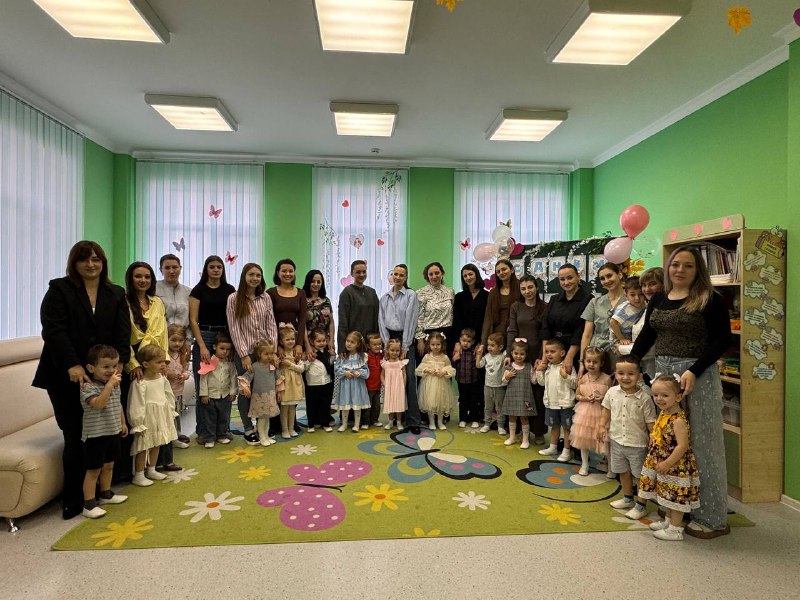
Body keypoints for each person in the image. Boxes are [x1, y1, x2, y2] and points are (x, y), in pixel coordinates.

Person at [632, 245, 731, 538]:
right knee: (668, 442)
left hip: (696, 375)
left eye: (688, 265)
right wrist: (633, 361)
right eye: (676, 264)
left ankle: (712, 517)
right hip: (665, 376)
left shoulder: (709, 299)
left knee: (702, 443)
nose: (680, 270)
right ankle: (676, 510)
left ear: (698, 270)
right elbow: (649, 333)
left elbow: (722, 340)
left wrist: (694, 370)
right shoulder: (659, 298)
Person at [33, 240, 131, 520]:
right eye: (84, 259)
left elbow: (123, 333)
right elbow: (53, 331)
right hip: (66, 376)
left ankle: (104, 491)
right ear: (74, 263)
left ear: (103, 263)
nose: (91, 264)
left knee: (108, 434)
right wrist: (73, 365)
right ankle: (75, 498)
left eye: (96, 259)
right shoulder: (59, 290)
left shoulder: (115, 293)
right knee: (76, 436)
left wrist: (118, 365)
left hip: (107, 377)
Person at [124, 261, 173, 473]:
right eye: (138, 276)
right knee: (140, 414)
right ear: (130, 279)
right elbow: (123, 335)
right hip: (135, 358)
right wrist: (133, 364)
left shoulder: (157, 302)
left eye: (147, 277)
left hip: (155, 358)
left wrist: (163, 361)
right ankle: (134, 471)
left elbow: (163, 333)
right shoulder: (124, 302)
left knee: (160, 413)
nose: (143, 280)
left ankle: (157, 464)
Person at [639, 374, 701, 541]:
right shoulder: (664, 413)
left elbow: (682, 446)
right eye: (655, 395)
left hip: (675, 465)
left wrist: (667, 463)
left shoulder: (678, 420)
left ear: (678, 397)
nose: (659, 399)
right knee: (666, 494)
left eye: (665, 395)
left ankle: (675, 529)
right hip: (662, 461)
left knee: (676, 496)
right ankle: (668, 521)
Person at [598, 355, 657, 521]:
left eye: (631, 374)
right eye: (621, 373)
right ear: (615, 374)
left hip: (637, 444)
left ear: (639, 376)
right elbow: (606, 411)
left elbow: (651, 422)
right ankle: (627, 498)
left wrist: (654, 439)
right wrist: (601, 426)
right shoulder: (611, 392)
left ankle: (641, 505)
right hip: (617, 440)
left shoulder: (645, 398)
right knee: (623, 472)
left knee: (640, 476)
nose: (625, 377)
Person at [226, 262, 278, 445]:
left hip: (264, 353)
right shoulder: (234, 298)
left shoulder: (265, 297)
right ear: (244, 277)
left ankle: (262, 427)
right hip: (246, 353)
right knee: (246, 391)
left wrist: (273, 351)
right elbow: (234, 328)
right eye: (251, 275)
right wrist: (243, 354)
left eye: (258, 275)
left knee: (264, 389)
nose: (255, 278)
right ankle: (248, 428)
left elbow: (271, 324)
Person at [189, 255, 235, 441]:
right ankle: (204, 432)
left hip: (224, 337)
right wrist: (202, 345)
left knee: (224, 382)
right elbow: (193, 320)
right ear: (206, 269)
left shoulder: (229, 290)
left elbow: (233, 317)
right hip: (205, 336)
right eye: (212, 267)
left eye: (219, 267)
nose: (216, 270)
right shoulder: (198, 290)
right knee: (204, 385)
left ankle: (223, 430)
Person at [79, 345, 128, 518]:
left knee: (109, 465)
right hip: (95, 435)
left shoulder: (114, 384)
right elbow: (99, 404)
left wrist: (123, 423)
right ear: (91, 368)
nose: (111, 370)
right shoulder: (88, 387)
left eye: (114, 366)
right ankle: (89, 505)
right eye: (106, 366)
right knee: (93, 470)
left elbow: (118, 404)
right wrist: (109, 386)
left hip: (112, 430)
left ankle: (106, 494)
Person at [127, 344, 178, 487]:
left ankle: (151, 469)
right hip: (146, 418)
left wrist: (170, 410)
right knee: (143, 446)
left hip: (160, 415)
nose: (163, 365)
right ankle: (139, 474)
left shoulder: (162, 378)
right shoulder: (140, 383)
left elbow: (169, 394)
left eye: (164, 361)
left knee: (157, 442)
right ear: (145, 364)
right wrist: (137, 423)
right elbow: (135, 403)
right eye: (159, 362)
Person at [378, 263, 420, 434]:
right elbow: (381, 321)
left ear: (406, 277)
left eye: (401, 275)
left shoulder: (411, 295)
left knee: (408, 378)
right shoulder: (384, 298)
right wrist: (387, 344)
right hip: (390, 340)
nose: (397, 277)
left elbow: (411, 320)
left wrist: (405, 345)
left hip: (405, 339)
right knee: (392, 378)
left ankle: (413, 420)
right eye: (395, 274)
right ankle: (395, 418)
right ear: (392, 275)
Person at [507, 274, 547, 443]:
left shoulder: (544, 307)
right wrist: (509, 354)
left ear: (536, 287)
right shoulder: (516, 306)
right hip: (518, 356)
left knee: (537, 394)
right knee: (519, 393)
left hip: (536, 356)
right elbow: (512, 330)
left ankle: (538, 432)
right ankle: (519, 431)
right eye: (523, 288)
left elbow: (545, 334)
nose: (527, 291)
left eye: (530, 287)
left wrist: (542, 357)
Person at [541, 263, 591, 373]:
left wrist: (569, 357)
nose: (566, 282)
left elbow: (580, 330)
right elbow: (546, 327)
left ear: (578, 277)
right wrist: (545, 356)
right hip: (553, 351)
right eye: (562, 279)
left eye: (570, 278)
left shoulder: (588, 299)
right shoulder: (554, 299)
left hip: (575, 351)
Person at [615, 267, 664, 379]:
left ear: (664, 284)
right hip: (642, 367)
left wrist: (621, 349)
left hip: (655, 369)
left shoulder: (661, 309)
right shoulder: (647, 307)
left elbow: (653, 346)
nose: (647, 289)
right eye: (644, 285)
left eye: (652, 284)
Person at [571, 346, 613, 475]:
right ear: (584, 362)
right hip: (585, 413)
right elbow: (577, 395)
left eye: (595, 362)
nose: (591, 364)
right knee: (584, 439)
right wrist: (585, 398)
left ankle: (610, 467)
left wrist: (603, 398)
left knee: (605, 440)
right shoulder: (583, 378)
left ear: (602, 363)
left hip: (602, 413)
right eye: (588, 361)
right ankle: (584, 464)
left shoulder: (607, 378)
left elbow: (612, 396)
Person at [535, 338, 577, 462]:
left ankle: (566, 451)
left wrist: (566, 376)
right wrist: (539, 371)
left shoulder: (567, 367)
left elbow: (575, 384)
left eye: (552, 351)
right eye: (547, 352)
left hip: (565, 403)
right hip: (551, 403)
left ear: (562, 353)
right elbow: (542, 383)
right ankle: (553, 447)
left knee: (567, 428)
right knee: (554, 426)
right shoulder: (547, 367)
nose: (549, 354)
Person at [579, 262, 625, 375]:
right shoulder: (595, 302)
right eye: (602, 278)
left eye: (609, 276)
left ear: (619, 275)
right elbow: (587, 334)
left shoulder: (632, 301)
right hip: (597, 355)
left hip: (621, 351)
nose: (606, 280)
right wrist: (582, 361)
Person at [197, 333, 238, 448]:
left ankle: (221, 435)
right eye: (222, 348)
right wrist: (204, 394)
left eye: (228, 349)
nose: (225, 352)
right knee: (209, 418)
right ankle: (209, 438)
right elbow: (203, 378)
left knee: (223, 417)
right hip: (210, 396)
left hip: (224, 396)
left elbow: (233, 378)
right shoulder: (208, 361)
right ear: (215, 347)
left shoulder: (230, 364)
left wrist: (233, 392)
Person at [238, 338, 281, 446]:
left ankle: (266, 436)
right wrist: (245, 387)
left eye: (271, 353)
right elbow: (245, 378)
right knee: (262, 418)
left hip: (270, 397)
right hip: (260, 398)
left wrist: (279, 392)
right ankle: (262, 437)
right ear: (259, 354)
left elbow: (279, 379)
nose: (270, 356)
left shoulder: (272, 366)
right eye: (266, 354)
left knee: (267, 418)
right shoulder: (255, 367)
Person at [268, 259, 308, 363]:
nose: (288, 274)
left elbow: (302, 320)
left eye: (291, 271)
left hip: (294, 341)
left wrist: (299, 344)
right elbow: (269, 321)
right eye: (284, 271)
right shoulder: (270, 293)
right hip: (277, 341)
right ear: (278, 273)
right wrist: (277, 345)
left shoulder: (301, 293)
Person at [338, 260, 379, 355]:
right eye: (358, 272)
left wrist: (377, 341)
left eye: (364, 271)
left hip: (370, 344)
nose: (361, 274)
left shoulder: (372, 292)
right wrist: (342, 347)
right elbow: (343, 322)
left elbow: (377, 318)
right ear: (352, 273)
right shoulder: (347, 293)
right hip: (353, 344)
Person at [415, 331, 455, 430]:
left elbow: (451, 369)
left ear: (442, 345)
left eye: (438, 344)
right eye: (433, 344)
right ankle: (432, 422)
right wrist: (427, 370)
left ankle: (440, 422)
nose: (435, 347)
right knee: (431, 404)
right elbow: (419, 369)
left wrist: (444, 372)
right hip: (430, 384)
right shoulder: (427, 356)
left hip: (442, 384)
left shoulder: (445, 357)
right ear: (429, 345)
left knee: (441, 403)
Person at [501, 339, 537, 448]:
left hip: (525, 397)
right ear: (512, 353)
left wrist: (536, 371)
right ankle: (512, 437)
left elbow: (534, 381)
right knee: (511, 417)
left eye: (522, 354)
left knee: (524, 418)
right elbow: (503, 381)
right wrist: (507, 376)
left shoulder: (529, 366)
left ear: (526, 354)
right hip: (511, 396)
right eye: (516, 353)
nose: (518, 356)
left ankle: (525, 440)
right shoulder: (509, 367)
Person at [414, 262, 455, 358]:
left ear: (442, 273)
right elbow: (418, 317)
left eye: (437, 273)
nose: (434, 276)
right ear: (427, 276)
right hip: (428, 336)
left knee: (445, 365)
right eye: (431, 274)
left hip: (447, 335)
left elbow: (453, 313)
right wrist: (420, 340)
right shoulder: (421, 293)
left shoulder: (450, 292)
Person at [332, 331, 370, 432]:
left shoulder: (362, 357)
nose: (348, 344)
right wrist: (344, 373)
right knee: (345, 406)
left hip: (357, 385)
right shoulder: (342, 356)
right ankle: (344, 424)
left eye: (352, 342)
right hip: (345, 385)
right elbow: (336, 369)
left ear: (358, 344)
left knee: (357, 405)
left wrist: (359, 373)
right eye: (347, 341)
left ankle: (356, 425)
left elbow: (366, 371)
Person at [481, 258, 520, 346]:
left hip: (516, 332)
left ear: (512, 270)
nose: (501, 273)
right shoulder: (493, 292)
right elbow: (488, 318)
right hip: (497, 336)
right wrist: (483, 342)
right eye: (498, 271)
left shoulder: (521, 288)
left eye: (504, 269)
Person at [276, 324, 307, 438]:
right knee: (284, 408)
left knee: (293, 407)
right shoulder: (280, 353)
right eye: (287, 339)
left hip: (295, 384)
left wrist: (290, 364)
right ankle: (284, 429)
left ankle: (291, 428)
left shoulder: (297, 352)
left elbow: (302, 368)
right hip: (284, 384)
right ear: (281, 341)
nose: (290, 341)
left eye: (292, 339)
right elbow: (276, 368)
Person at [452, 264, 489, 355]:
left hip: (480, 341)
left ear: (476, 275)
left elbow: (487, 321)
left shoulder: (487, 296)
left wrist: (482, 342)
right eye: (465, 276)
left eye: (470, 274)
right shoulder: (459, 297)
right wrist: (457, 342)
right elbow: (456, 320)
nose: (468, 277)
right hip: (463, 342)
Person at [165, 324, 191, 450]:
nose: (177, 343)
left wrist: (184, 375)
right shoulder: (164, 355)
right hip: (167, 392)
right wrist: (168, 374)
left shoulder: (182, 355)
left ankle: (176, 433)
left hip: (178, 391)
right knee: (169, 414)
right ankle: (172, 437)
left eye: (180, 340)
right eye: (173, 340)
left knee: (177, 413)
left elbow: (187, 370)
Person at [155, 253, 192, 341]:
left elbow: (192, 320)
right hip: (159, 339)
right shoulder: (153, 289)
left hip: (181, 341)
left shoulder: (189, 292)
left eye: (175, 267)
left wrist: (188, 340)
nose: (171, 271)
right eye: (167, 268)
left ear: (180, 268)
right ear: (161, 270)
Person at [304, 329, 335, 432]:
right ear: (312, 341)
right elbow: (304, 367)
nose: (322, 343)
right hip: (313, 383)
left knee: (325, 404)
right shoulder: (309, 354)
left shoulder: (327, 352)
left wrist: (333, 355)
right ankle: (311, 424)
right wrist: (309, 361)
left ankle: (325, 423)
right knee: (312, 404)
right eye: (318, 341)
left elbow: (331, 364)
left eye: (323, 340)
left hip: (326, 382)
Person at [477, 333, 508, 435]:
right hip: (488, 386)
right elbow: (478, 365)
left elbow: (508, 351)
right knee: (488, 406)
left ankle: (500, 425)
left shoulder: (503, 356)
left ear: (500, 347)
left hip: (500, 386)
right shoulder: (487, 356)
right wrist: (479, 354)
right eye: (488, 345)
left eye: (492, 345)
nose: (489, 347)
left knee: (499, 407)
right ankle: (487, 424)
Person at [453, 328, 481, 428]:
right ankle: (463, 419)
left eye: (468, 341)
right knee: (463, 400)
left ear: (473, 342)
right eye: (463, 340)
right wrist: (454, 359)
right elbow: (452, 365)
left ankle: (475, 419)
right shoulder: (458, 351)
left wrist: (479, 354)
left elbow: (479, 364)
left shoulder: (474, 351)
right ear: (460, 340)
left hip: (473, 380)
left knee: (474, 400)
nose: (465, 343)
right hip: (461, 381)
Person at [303, 270, 336, 355]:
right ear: (308, 282)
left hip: (325, 343)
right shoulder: (302, 300)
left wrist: (331, 340)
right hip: (309, 344)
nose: (316, 284)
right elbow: (302, 325)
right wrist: (307, 345)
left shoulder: (326, 300)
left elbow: (331, 322)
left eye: (318, 282)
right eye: (313, 281)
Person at [609, 277, 646, 346]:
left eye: (640, 294)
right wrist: (621, 339)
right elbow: (613, 322)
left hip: (632, 336)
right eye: (632, 295)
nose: (637, 298)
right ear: (626, 296)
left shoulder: (644, 304)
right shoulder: (624, 309)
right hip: (618, 338)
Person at [381, 339, 408, 430]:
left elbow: (404, 374)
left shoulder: (401, 363)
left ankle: (399, 422)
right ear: (387, 350)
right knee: (390, 404)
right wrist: (385, 384)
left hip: (399, 387)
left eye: (397, 350)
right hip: (389, 387)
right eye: (392, 350)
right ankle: (390, 422)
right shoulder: (385, 363)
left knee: (398, 404)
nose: (394, 353)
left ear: (400, 351)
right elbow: (382, 375)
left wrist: (403, 385)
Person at [365, 333, 384, 428]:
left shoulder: (382, 356)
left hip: (377, 386)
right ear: (368, 346)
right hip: (367, 386)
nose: (377, 346)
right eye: (374, 344)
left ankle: (375, 420)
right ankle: (365, 422)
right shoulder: (366, 356)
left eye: (379, 344)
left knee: (376, 405)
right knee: (367, 405)